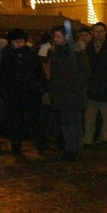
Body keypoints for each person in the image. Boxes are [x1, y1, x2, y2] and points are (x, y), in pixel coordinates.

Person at [0, 29, 48, 156]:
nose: (19, 44)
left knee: (36, 121)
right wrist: (6, 93)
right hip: (14, 97)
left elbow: (39, 73)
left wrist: (40, 89)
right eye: (16, 42)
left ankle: (40, 146)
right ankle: (16, 147)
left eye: (21, 42)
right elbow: (3, 77)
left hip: (31, 95)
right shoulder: (8, 56)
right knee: (16, 123)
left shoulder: (31, 55)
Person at [47, 25, 89, 161]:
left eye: (58, 36)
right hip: (63, 93)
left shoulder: (76, 53)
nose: (55, 39)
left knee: (71, 122)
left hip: (72, 94)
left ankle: (73, 149)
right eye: (55, 36)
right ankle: (73, 148)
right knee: (69, 122)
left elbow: (83, 73)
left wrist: (74, 89)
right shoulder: (58, 52)